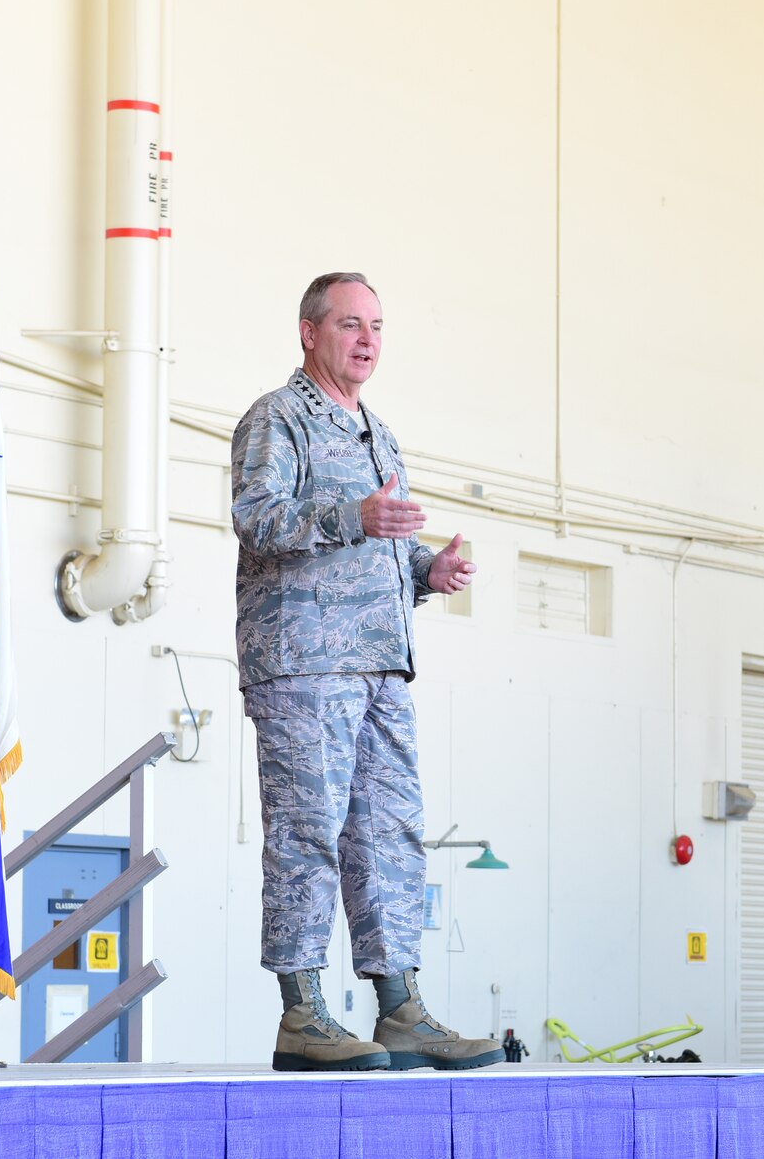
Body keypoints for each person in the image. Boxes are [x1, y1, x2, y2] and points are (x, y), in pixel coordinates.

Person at [232, 271, 501, 1073]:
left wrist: (427, 570)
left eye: (377, 326)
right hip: (304, 664)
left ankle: (400, 1007)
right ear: (309, 332)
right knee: (307, 832)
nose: (368, 340)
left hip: (381, 665)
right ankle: (302, 1014)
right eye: (351, 324)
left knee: (389, 835)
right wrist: (356, 516)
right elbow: (257, 519)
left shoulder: (379, 434)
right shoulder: (278, 418)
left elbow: (382, 550)